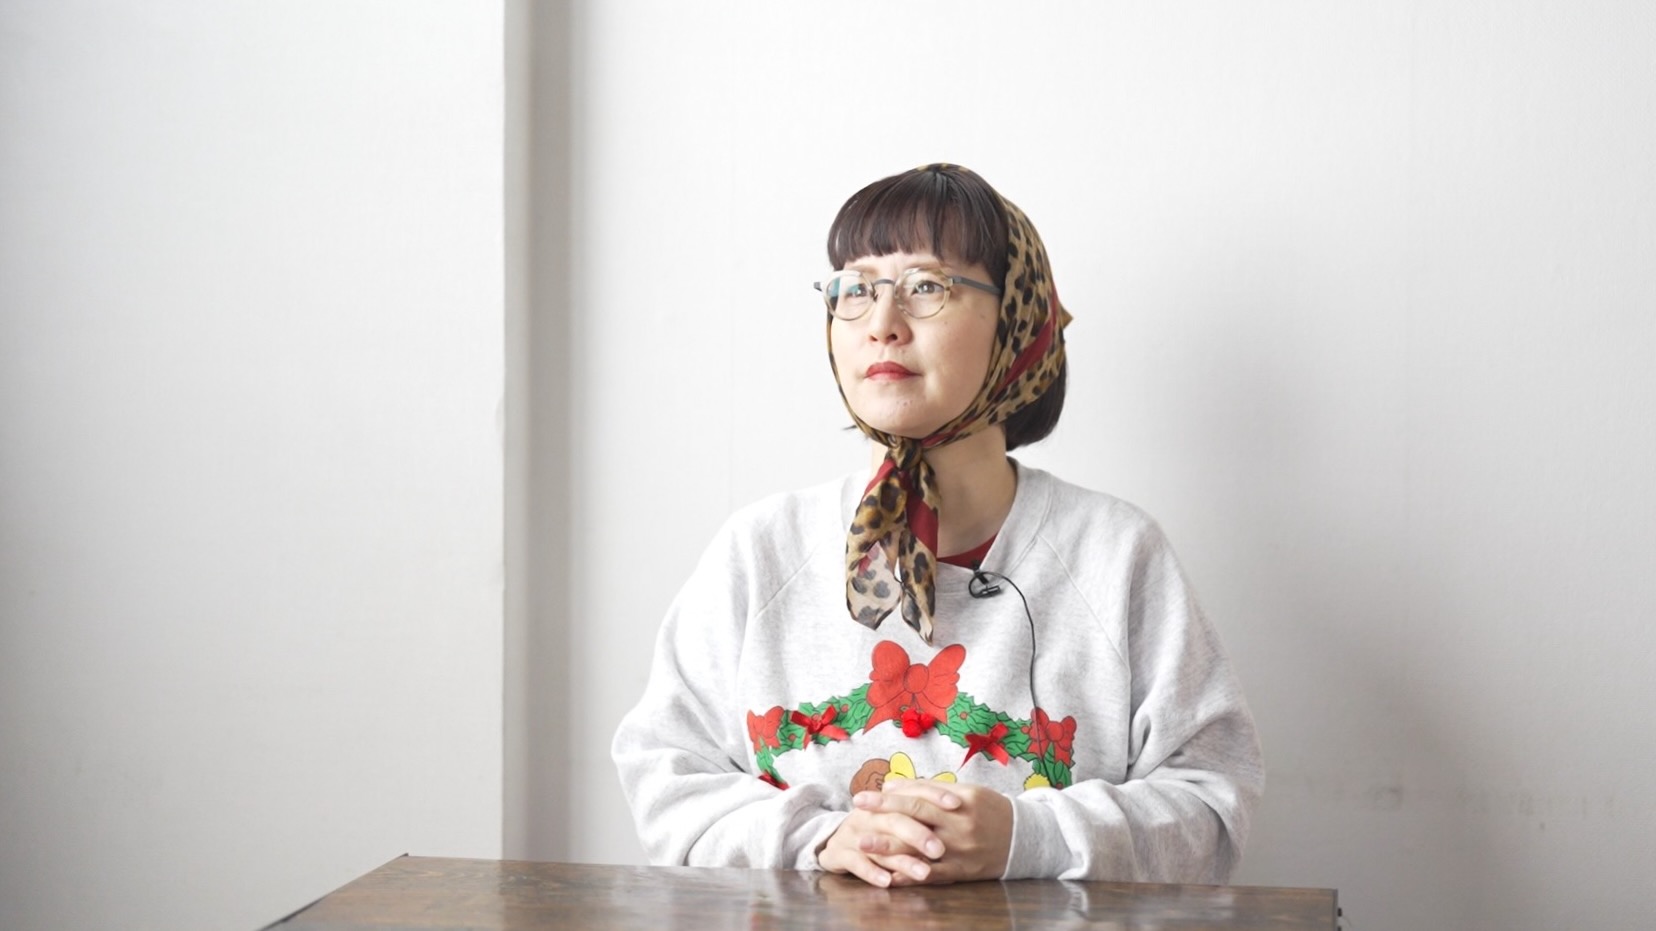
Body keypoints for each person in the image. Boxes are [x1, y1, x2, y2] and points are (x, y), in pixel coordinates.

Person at [611, 163, 1263, 888]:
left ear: (1018, 323)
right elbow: (667, 778)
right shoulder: (759, 552)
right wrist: (822, 838)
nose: (881, 323)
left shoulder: (1116, 555)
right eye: (855, 288)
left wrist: (1027, 837)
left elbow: (1213, 806)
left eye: (926, 286)